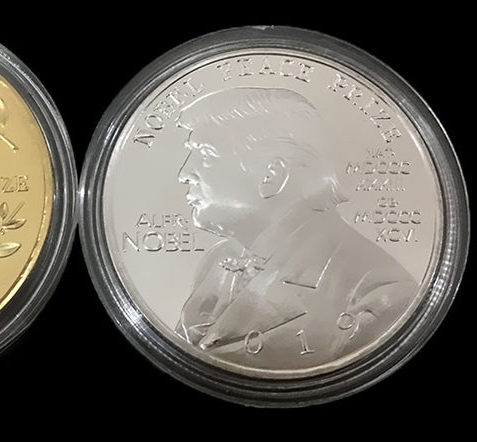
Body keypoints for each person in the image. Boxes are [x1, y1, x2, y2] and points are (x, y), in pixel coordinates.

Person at [174, 87, 416, 369]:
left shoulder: (382, 294)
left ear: (271, 174)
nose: (184, 174)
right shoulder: (217, 261)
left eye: (206, 155)